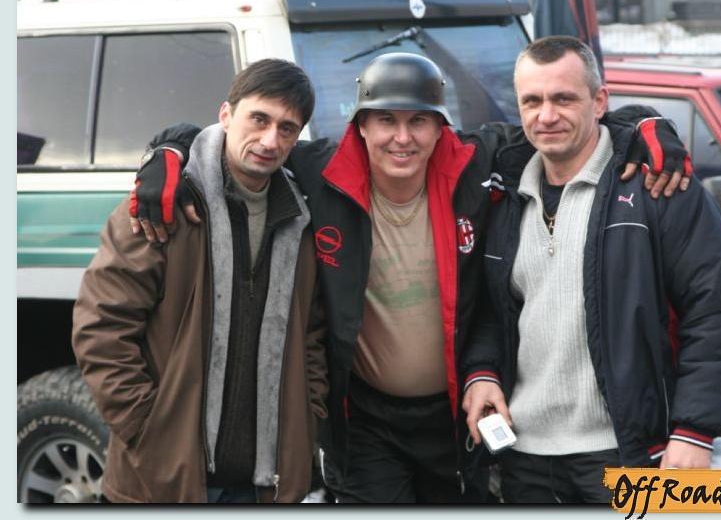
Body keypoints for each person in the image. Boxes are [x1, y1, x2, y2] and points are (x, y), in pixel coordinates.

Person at [128, 51, 691, 503]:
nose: (403, 137)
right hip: (365, 420)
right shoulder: (318, 172)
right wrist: (167, 151)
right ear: (360, 126)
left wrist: (646, 123)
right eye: (386, 121)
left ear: (441, 127)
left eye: (419, 120)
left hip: (454, 414)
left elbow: (562, 122)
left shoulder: (475, 163)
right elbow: (229, 139)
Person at [460, 36, 721, 503]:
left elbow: (716, 312)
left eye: (563, 98)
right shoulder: (503, 195)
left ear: (599, 102)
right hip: (524, 457)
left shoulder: (659, 185)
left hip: (628, 453)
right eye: (532, 101)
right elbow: (493, 312)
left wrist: (695, 430)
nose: (546, 115)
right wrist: (483, 373)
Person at [71, 59, 328, 503]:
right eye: (259, 119)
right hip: (160, 481)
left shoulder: (302, 222)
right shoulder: (161, 206)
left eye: (287, 128)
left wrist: (308, 420)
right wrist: (146, 429)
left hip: (263, 486)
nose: (270, 140)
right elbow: (102, 328)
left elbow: (313, 338)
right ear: (226, 114)